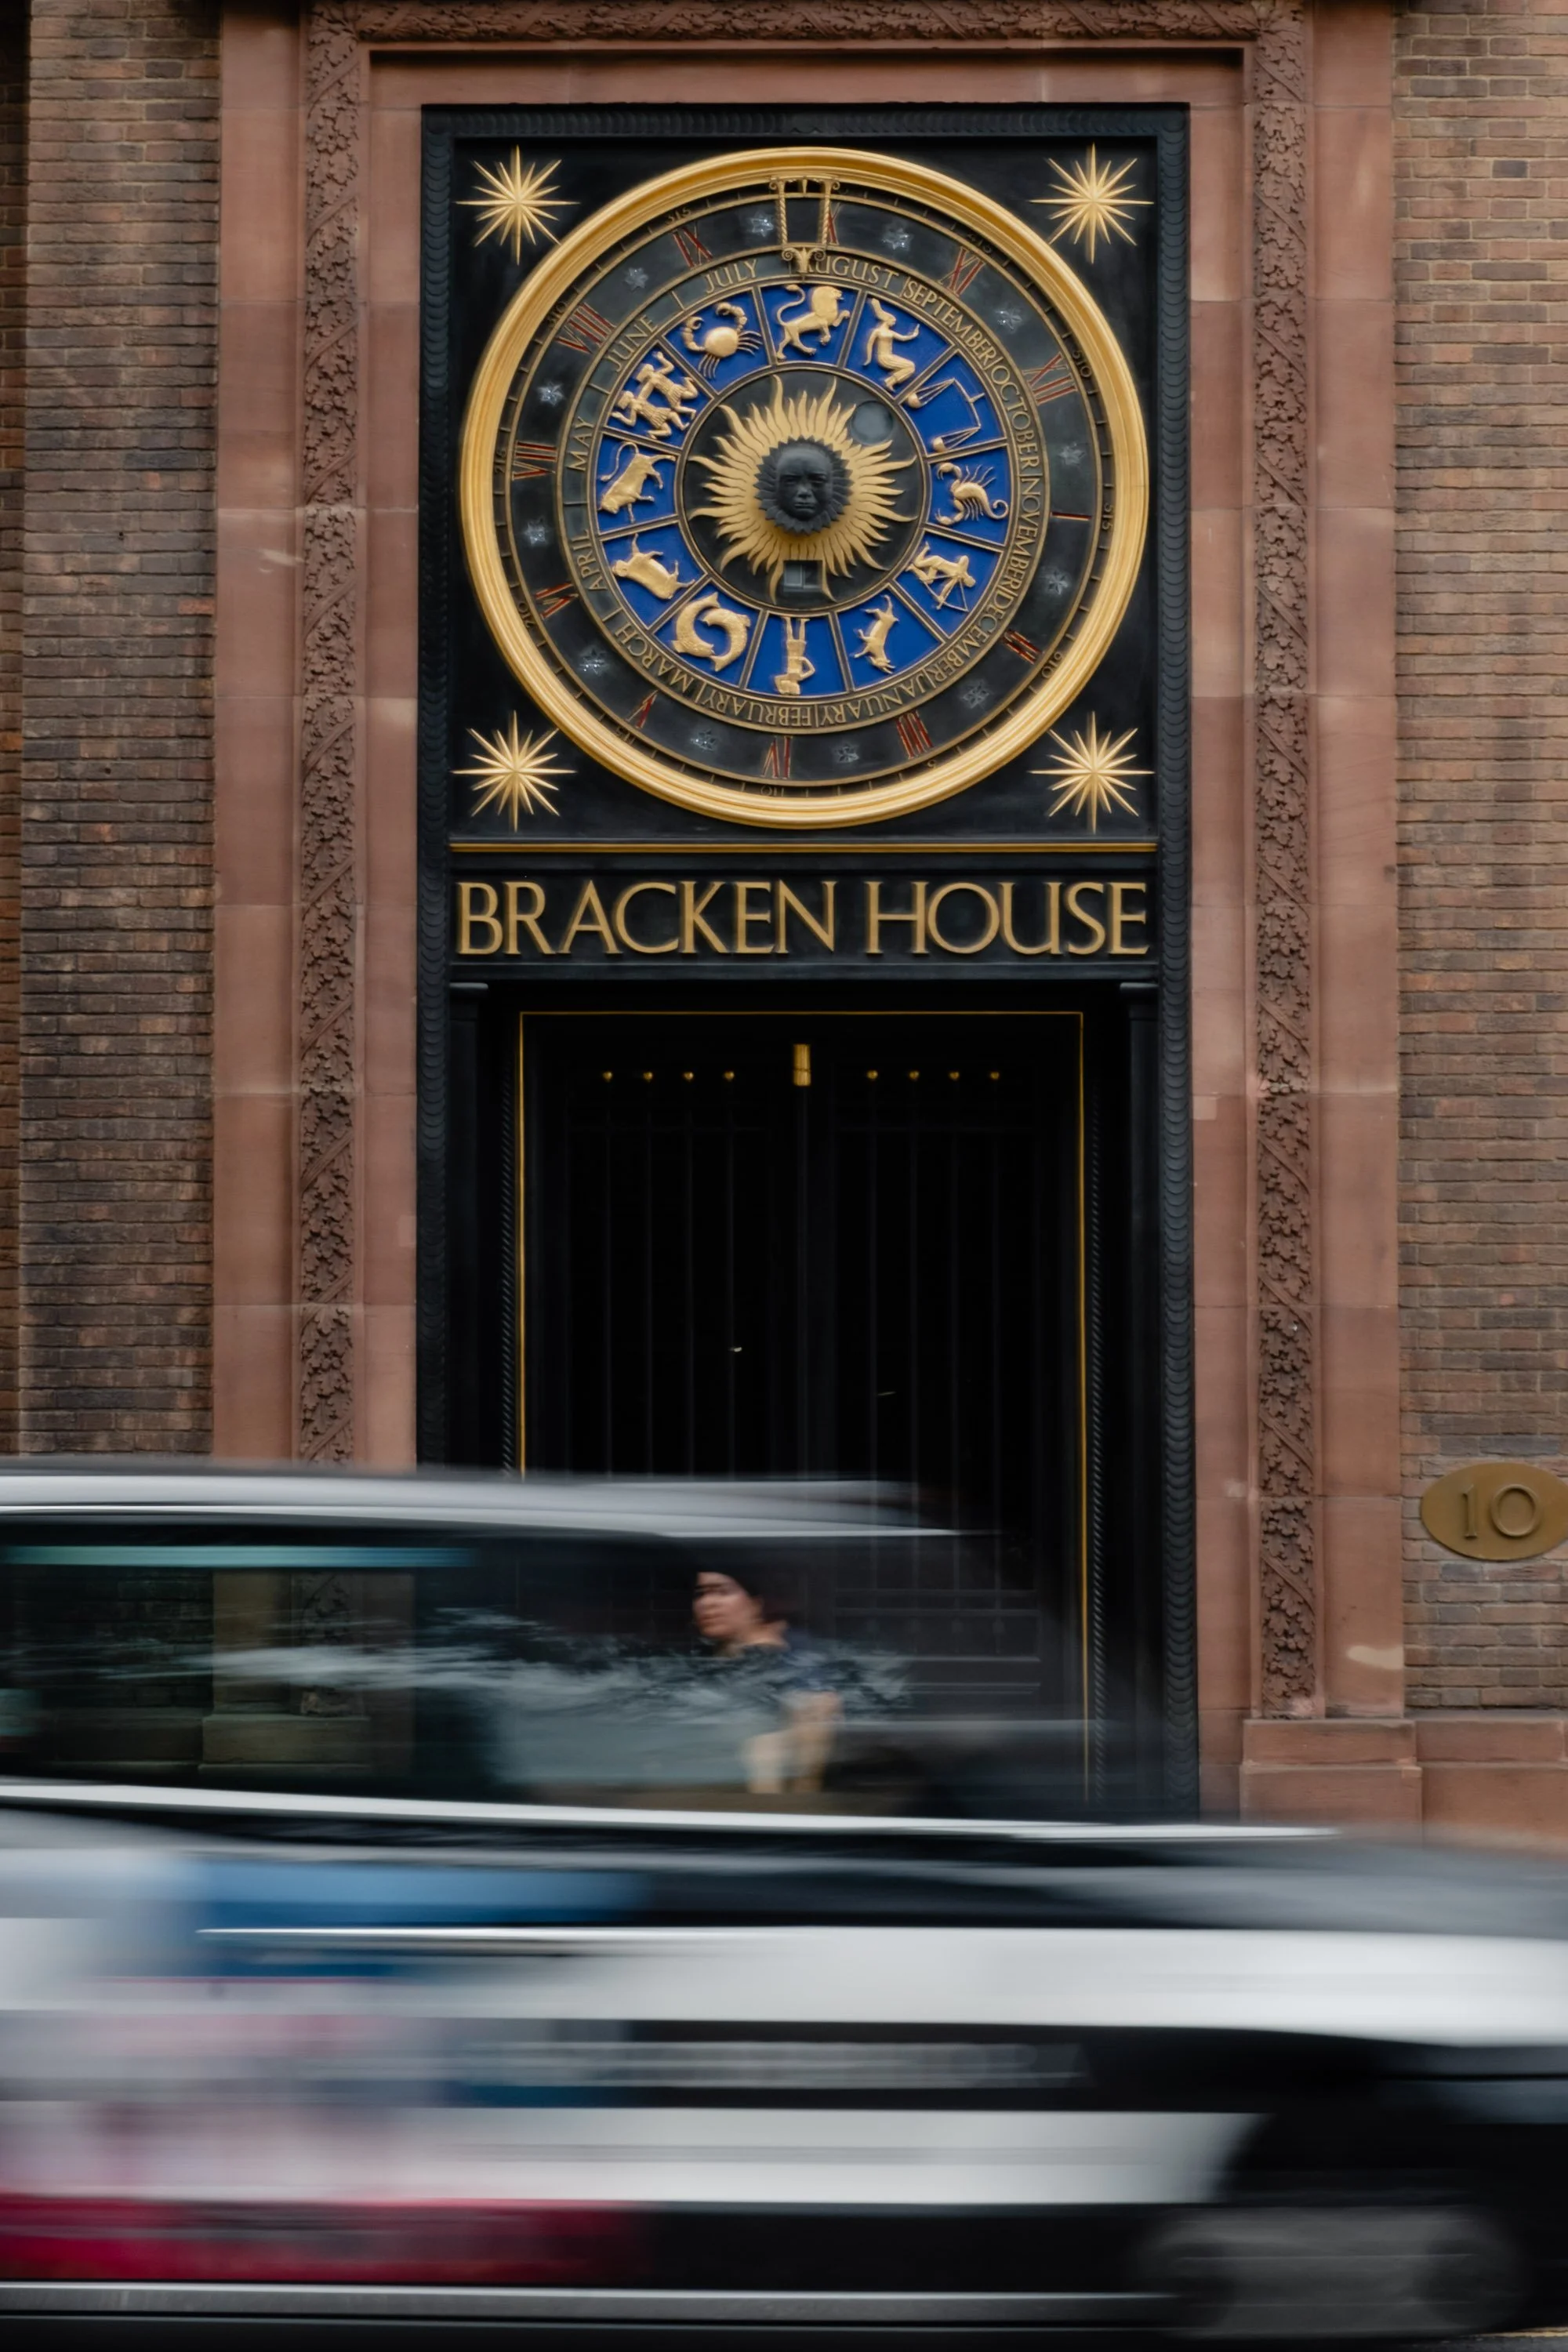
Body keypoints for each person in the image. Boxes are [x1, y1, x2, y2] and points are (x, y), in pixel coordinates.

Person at [691, 1565, 840, 1796]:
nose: (708, 1603)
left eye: (722, 1592)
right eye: (701, 1594)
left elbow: (819, 1707)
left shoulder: (792, 1647)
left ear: (755, 1604)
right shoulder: (699, 1654)